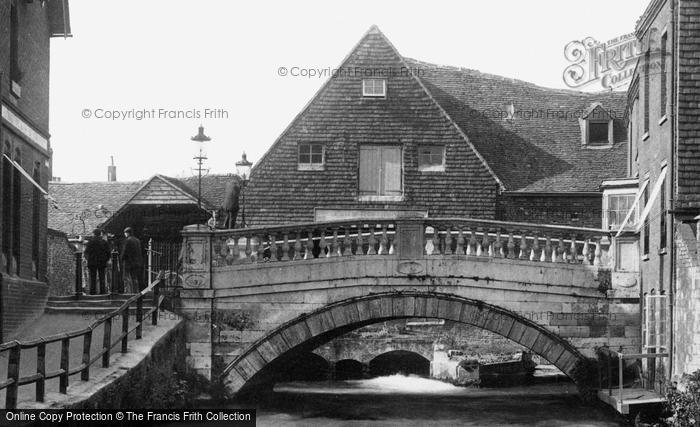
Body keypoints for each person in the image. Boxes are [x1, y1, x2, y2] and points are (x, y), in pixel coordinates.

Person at [84, 228, 111, 294]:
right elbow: (108, 253)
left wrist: (88, 259)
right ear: (100, 234)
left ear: (94, 234)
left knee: (92, 278)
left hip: (92, 262)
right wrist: (105, 260)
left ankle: (93, 292)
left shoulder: (90, 242)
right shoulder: (104, 242)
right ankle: (102, 292)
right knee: (102, 278)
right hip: (102, 262)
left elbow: (86, 252)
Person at [121, 227, 144, 292]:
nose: (124, 234)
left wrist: (121, 259)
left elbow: (124, 252)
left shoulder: (127, 240)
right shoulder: (137, 240)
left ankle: (128, 292)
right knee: (135, 278)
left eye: (125, 233)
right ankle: (135, 291)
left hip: (129, 262)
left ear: (127, 233)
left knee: (126, 278)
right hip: (137, 262)